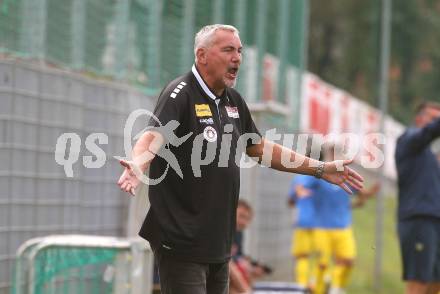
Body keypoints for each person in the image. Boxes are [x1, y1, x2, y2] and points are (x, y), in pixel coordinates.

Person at [117, 24, 363, 294]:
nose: (237, 58)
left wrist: (319, 169)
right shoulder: (180, 93)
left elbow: (258, 149)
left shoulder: (233, 101)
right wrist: (138, 164)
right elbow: (154, 135)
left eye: (239, 51)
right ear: (202, 56)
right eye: (228, 50)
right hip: (181, 240)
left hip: (217, 241)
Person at [290, 144, 378, 294]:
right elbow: (300, 184)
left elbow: (362, 195)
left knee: (348, 261)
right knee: (322, 264)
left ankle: (336, 287)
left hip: (343, 227)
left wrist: (370, 193)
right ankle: (315, 288)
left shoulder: (347, 176)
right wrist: (299, 191)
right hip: (321, 227)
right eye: (333, 153)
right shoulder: (320, 175)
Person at [395, 102, 440, 294]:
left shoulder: (429, 155)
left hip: (434, 220)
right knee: (419, 282)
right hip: (418, 219)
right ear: (419, 119)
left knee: (435, 283)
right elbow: (428, 133)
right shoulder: (408, 139)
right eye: (434, 119)